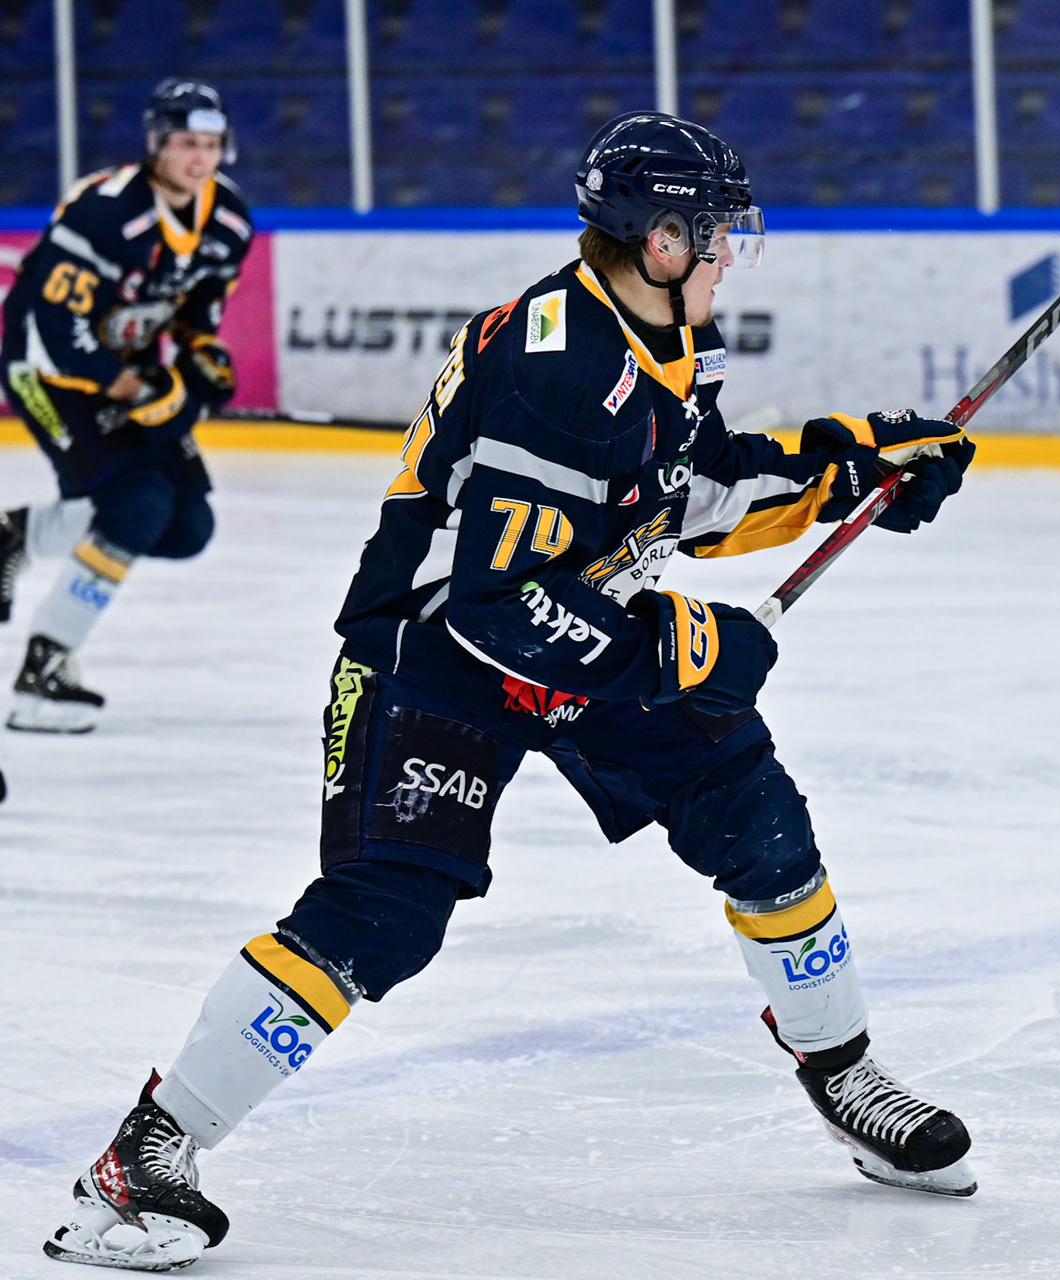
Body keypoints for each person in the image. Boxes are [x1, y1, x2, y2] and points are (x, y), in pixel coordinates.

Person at [42, 111, 977, 1272]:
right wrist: (684, 647)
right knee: (385, 908)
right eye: (717, 233)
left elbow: (685, 489)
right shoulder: (559, 369)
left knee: (759, 816)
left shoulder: (664, 333)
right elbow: (495, 603)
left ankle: (845, 1073)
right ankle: (146, 1154)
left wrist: (850, 468)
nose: (731, 254)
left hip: (575, 628)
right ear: (660, 239)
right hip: (435, 653)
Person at [0, 78, 249, 733]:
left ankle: (16, 535)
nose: (199, 158)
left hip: (123, 370)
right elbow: (58, 328)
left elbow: (198, 310)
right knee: (136, 505)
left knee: (186, 525)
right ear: (157, 144)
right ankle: (42, 671)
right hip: (43, 371)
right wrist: (142, 393)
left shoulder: (228, 220)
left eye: (211, 144)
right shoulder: (107, 211)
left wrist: (201, 355)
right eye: (186, 143)